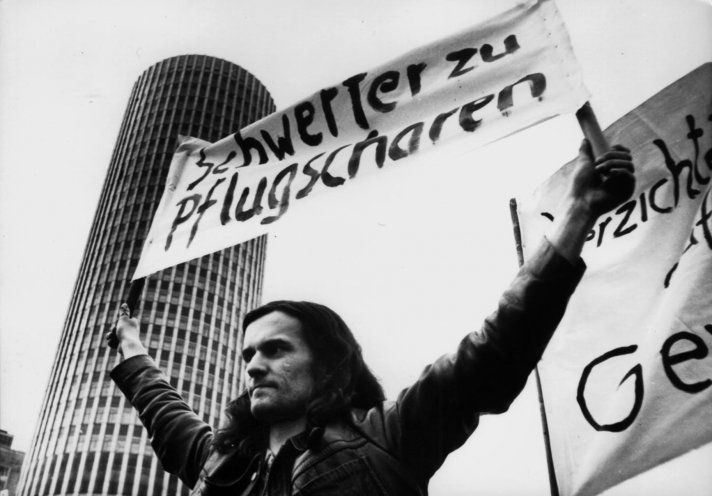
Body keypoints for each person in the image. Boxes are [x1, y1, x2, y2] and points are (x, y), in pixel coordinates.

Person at [109, 139, 635, 495]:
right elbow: (165, 412)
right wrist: (132, 350)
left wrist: (576, 213)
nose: (253, 366)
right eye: (248, 353)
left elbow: (493, 352)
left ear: (328, 362)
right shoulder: (222, 464)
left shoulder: (390, 435)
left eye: (276, 348)